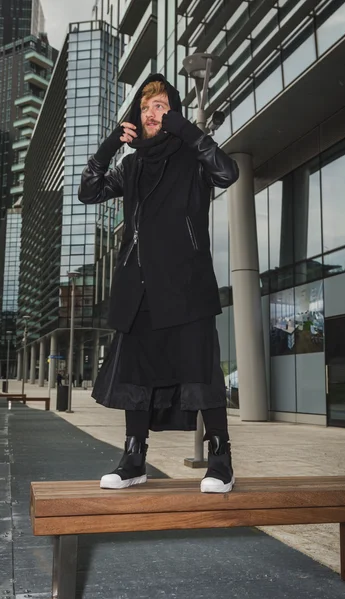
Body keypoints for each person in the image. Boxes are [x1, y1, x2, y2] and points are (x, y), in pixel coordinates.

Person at [78, 74, 239, 493]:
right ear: (137, 116)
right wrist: (112, 143)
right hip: (140, 285)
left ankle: (220, 458)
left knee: (200, 368)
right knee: (136, 375)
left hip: (186, 283)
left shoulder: (193, 158)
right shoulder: (131, 165)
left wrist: (186, 129)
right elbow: (88, 191)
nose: (154, 112)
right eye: (147, 106)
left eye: (162, 105)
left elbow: (228, 172)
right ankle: (134, 459)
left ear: (174, 113)